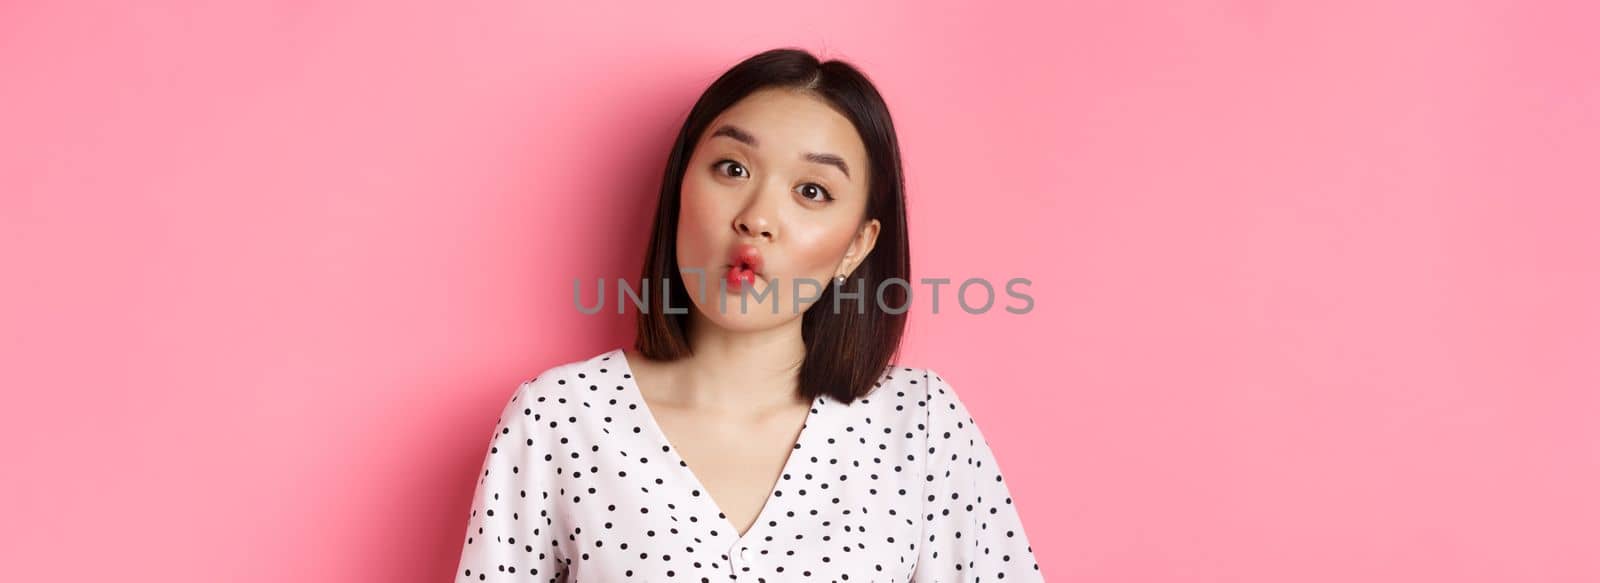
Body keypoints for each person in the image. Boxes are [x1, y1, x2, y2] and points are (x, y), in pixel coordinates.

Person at [454, 47, 1043, 582]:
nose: (757, 217)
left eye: (812, 190)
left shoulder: (920, 425)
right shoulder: (559, 417)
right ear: (680, 188)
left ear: (858, 246)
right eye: (732, 169)